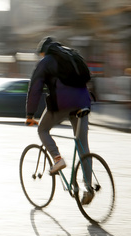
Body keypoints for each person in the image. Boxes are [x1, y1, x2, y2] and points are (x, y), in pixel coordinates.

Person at [25, 37, 93, 204]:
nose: (41, 57)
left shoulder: (46, 61)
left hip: (62, 103)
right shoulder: (71, 55)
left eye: (41, 54)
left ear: (44, 51)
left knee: (42, 129)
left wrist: (30, 114)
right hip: (84, 102)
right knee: (83, 145)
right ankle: (88, 187)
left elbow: (35, 87)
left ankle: (57, 159)